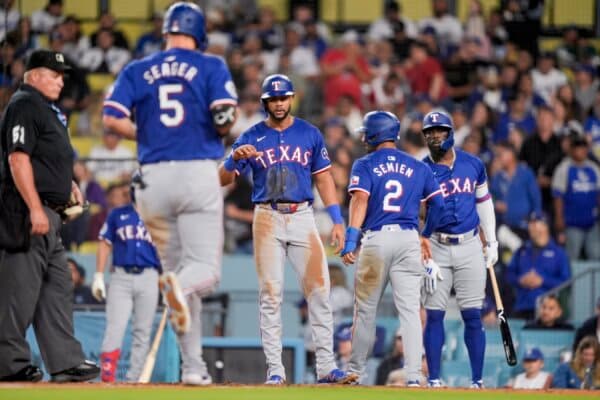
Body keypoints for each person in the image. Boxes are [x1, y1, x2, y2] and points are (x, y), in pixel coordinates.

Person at [102, 2, 238, 385]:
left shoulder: (137, 69)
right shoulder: (211, 64)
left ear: (166, 31)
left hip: (151, 180)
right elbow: (225, 117)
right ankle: (177, 287)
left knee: (181, 280)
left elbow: (111, 117)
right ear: (199, 34)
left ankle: (193, 367)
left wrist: (146, 133)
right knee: (202, 273)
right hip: (196, 171)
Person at [218, 74, 355, 384]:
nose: (279, 103)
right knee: (270, 294)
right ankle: (276, 370)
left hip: (303, 215)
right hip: (266, 216)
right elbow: (222, 180)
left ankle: (325, 366)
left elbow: (323, 178)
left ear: (291, 99)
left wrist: (337, 220)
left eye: (284, 98)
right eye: (273, 99)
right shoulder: (251, 135)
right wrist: (231, 160)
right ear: (266, 102)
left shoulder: (309, 133)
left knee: (320, 291)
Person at [0, 49, 100, 382]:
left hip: (51, 215)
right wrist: (33, 207)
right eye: (54, 74)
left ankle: (65, 361)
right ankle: (9, 363)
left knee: (56, 287)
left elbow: (45, 158)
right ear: (33, 74)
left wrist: (67, 183)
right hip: (28, 212)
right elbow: (18, 159)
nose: (61, 80)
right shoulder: (24, 105)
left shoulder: (47, 111)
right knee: (19, 289)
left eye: (62, 75)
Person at [340, 111, 445, 386]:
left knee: (365, 311)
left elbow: (360, 201)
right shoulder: (419, 166)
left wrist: (351, 238)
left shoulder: (364, 164)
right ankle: (413, 376)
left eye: (366, 132)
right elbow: (439, 204)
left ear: (375, 133)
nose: (363, 137)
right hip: (409, 240)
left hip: (377, 241)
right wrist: (426, 234)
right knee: (410, 311)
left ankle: (355, 372)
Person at [420, 110, 498, 389]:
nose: (435, 135)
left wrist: (492, 241)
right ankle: (434, 379)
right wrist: (422, 244)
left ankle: (477, 381)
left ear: (451, 132)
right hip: (437, 246)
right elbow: (417, 212)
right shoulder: (422, 168)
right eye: (430, 131)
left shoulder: (473, 164)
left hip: (469, 245)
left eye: (439, 130)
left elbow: (484, 202)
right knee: (434, 314)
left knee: (472, 315)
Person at [91, 181, 161, 383]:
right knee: (115, 325)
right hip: (121, 276)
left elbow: (168, 251)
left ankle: (135, 379)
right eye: (137, 188)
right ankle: (108, 376)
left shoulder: (160, 217)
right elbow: (104, 243)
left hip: (150, 275)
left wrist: (169, 279)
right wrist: (98, 275)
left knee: (143, 330)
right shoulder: (117, 214)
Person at [506, 212, 571, 320]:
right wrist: (520, 280)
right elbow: (509, 274)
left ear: (545, 226)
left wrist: (542, 281)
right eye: (530, 224)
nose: (530, 227)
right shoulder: (522, 250)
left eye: (534, 223)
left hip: (547, 312)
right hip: (522, 307)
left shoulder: (558, 253)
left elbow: (566, 282)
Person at [552, 131, 600, 260]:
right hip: (572, 223)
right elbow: (558, 196)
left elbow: (598, 194)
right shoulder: (564, 168)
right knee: (572, 258)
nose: (581, 150)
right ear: (572, 149)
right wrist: (559, 218)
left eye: (583, 147)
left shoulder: (593, 168)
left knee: (596, 256)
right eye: (578, 147)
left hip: (592, 222)